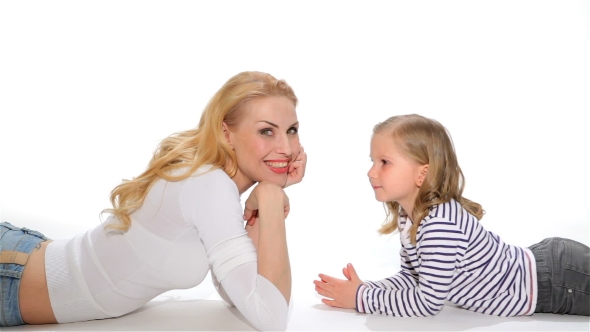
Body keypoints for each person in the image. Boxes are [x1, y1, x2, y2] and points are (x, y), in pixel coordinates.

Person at [0, 71, 306, 331]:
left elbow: (239, 292)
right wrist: (270, 197)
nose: (287, 147)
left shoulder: (211, 183)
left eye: (291, 131)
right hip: (11, 276)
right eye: (267, 131)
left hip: (22, 259)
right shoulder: (208, 185)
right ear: (226, 134)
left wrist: (265, 198)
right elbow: (271, 317)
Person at [313, 114, 589, 317]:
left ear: (422, 173)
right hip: (546, 269)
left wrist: (361, 298)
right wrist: (367, 289)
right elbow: (413, 279)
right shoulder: (409, 217)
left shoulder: (439, 226)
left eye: (384, 162)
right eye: (372, 161)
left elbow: (427, 303)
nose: (372, 172)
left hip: (557, 280)